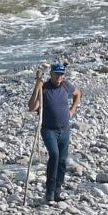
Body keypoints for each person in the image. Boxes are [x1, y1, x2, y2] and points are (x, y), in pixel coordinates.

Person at [27, 62, 82, 204]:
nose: (59, 77)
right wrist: (37, 86)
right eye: (57, 74)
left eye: (62, 74)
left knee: (62, 160)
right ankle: (49, 193)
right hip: (48, 129)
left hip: (64, 129)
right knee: (54, 155)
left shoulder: (66, 85)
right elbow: (32, 107)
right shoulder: (44, 88)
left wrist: (72, 111)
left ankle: (58, 191)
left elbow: (77, 94)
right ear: (51, 74)